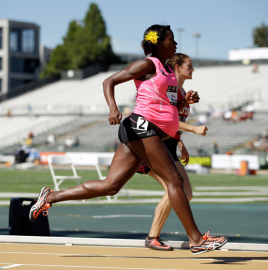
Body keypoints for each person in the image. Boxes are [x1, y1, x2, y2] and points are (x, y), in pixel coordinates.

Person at [29, 24, 227, 255]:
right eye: (172, 39)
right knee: (174, 180)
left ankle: (49, 197)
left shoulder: (168, 71)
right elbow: (109, 81)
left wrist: (185, 102)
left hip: (147, 133)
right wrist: (113, 108)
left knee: (110, 186)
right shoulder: (147, 64)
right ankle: (196, 240)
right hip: (141, 128)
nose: (175, 44)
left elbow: (166, 105)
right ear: (159, 42)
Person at [136, 53, 208, 250]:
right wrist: (193, 129)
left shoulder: (182, 91)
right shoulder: (169, 88)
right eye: (189, 66)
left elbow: (175, 124)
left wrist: (180, 143)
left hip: (168, 146)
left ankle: (157, 237)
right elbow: (165, 120)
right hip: (152, 145)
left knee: (186, 192)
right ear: (177, 67)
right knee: (175, 189)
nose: (192, 69)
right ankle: (154, 237)